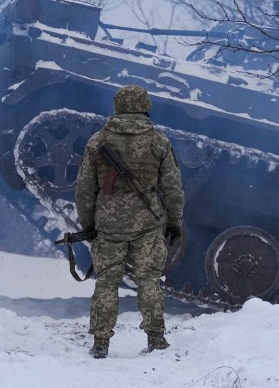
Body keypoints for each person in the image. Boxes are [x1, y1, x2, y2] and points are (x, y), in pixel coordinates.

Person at [75, 85, 184, 359]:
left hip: (109, 225)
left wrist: (88, 224)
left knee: (107, 283)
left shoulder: (97, 141)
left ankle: (100, 342)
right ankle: (156, 339)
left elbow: (85, 189)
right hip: (147, 224)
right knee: (149, 280)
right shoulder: (159, 141)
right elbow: (172, 187)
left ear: (118, 106)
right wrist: (174, 222)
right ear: (145, 105)